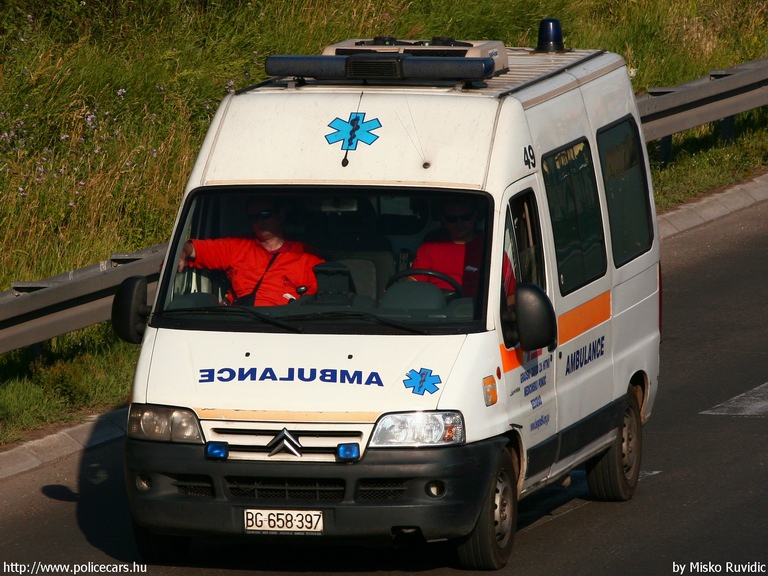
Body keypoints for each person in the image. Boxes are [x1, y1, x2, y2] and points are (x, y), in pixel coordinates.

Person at [176, 197, 324, 306]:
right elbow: (193, 248)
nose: (259, 222)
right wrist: (182, 253)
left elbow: (318, 303)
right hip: (239, 322)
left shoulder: (308, 257)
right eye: (253, 218)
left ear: (281, 215)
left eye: (265, 215)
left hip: (286, 327)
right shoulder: (238, 246)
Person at [410, 198, 516, 299]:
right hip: (433, 309)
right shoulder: (430, 247)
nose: (459, 223)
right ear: (443, 219)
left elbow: (512, 295)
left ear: (475, 216)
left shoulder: (491, 250)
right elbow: (412, 284)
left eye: (465, 217)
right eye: (451, 219)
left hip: (477, 310)